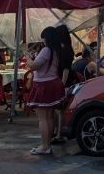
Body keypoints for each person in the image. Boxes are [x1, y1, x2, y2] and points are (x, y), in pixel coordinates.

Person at [25, 26, 72, 155]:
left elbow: (34, 66)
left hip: (44, 84)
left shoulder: (46, 50)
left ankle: (45, 146)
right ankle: (47, 144)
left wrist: (28, 57)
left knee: (42, 118)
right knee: (49, 116)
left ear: (46, 38)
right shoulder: (56, 50)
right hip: (53, 82)